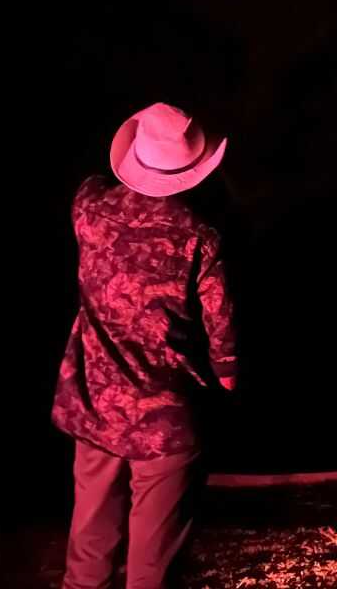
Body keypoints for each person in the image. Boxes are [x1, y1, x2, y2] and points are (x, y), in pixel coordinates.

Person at [52, 102, 237, 589]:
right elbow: (222, 331)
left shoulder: (88, 208)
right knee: (152, 573)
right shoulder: (198, 237)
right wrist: (226, 374)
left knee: (87, 560)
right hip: (165, 421)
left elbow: (91, 180)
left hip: (96, 406)